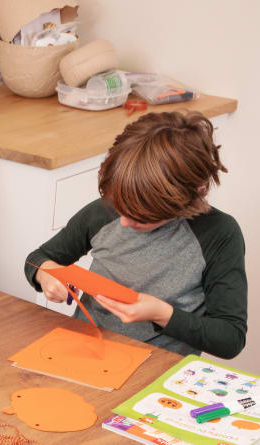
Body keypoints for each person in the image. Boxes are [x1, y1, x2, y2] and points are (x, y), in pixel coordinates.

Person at [24, 111, 247, 359]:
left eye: (141, 216)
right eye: (120, 207)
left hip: (157, 373)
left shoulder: (219, 234)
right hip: (82, 354)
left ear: (195, 194)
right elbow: (38, 258)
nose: (124, 221)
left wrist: (161, 313)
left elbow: (230, 338)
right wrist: (46, 275)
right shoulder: (104, 212)